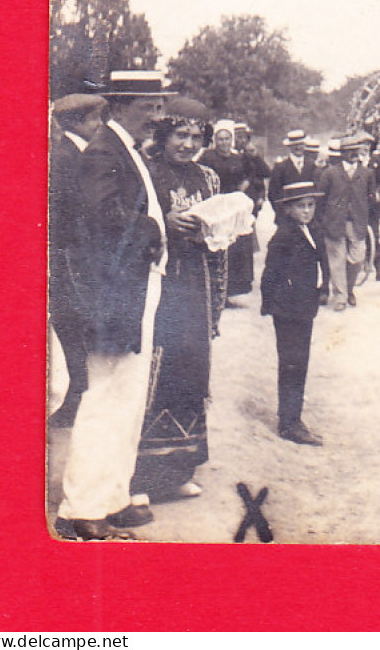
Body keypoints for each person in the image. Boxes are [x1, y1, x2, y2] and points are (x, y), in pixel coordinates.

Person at [55, 69, 172, 540]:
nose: (156, 115)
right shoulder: (103, 152)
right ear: (119, 106)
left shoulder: (121, 149)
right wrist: (153, 231)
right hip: (114, 293)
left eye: (158, 106)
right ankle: (80, 508)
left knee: (127, 398)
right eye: (150, 107)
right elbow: (103, 220)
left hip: (135, 287)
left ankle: (113, 496)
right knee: (104, 396)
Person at [132, 97, 226, 507]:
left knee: (191, 369)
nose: (187, 145)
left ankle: (177, 472)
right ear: (163, 135)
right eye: (179, 136)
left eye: (195, 137)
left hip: (196, 287)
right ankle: (138, 477)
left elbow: (219, 246)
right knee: (156, 372)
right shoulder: (146, 173)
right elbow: (132, 227)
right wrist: (163, 225)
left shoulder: (208, 177)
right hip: (160, 284)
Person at [48, 93, 109, 429]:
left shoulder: (74, 152)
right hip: (70, 258)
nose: (98, 125)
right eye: (93, 120)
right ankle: (76, 399)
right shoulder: (67, 157)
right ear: (74, 122)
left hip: (75, 256)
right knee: (72, 327)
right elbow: (70, 213)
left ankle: (79, 397)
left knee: (77, 328)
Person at [261, 180, 328, 444]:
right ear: (288, 209)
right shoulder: (284, 236)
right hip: (289, 310)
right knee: (292, 364)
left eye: (311, 205)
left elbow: (320, 262)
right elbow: (271, 273)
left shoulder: (311, 230)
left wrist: (322, 289)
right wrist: (274, 305)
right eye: (301, 206)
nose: (307, 211)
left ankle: (294, 417)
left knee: (299, 363)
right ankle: (289, 423)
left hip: (303, 307)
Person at [317, 130, 377, 311]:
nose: (353, 154)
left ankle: (349, 288)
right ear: (342, 153)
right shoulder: (330, 173)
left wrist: (369, 221)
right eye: (349, 150)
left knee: (357, 259)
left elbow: (371, 199)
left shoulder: (366, 174)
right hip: (334, 223)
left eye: (356, 150)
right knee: (336, 261)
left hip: (357, 223)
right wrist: (323, 221)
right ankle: (341, 296)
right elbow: (321, 199)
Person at [198, 120, 255, 309]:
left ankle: (229, 292)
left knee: (235, 248)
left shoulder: (239, 158)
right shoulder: (207, 156)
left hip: (233, 206)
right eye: (220, 139)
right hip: (216, 206)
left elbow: (251, 174)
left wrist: (243, 187)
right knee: (217, 246)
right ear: (215, 140)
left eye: (227, 139)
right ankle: (215, 292)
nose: (224, 143)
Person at [267, 129, 315, 210]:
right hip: (287, 215)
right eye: (295, 145)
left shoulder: (312, 165)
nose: (298, 147)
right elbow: (273, 194)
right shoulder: (280, 167)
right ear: (289, 146)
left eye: (301, 144)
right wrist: (282, 213)